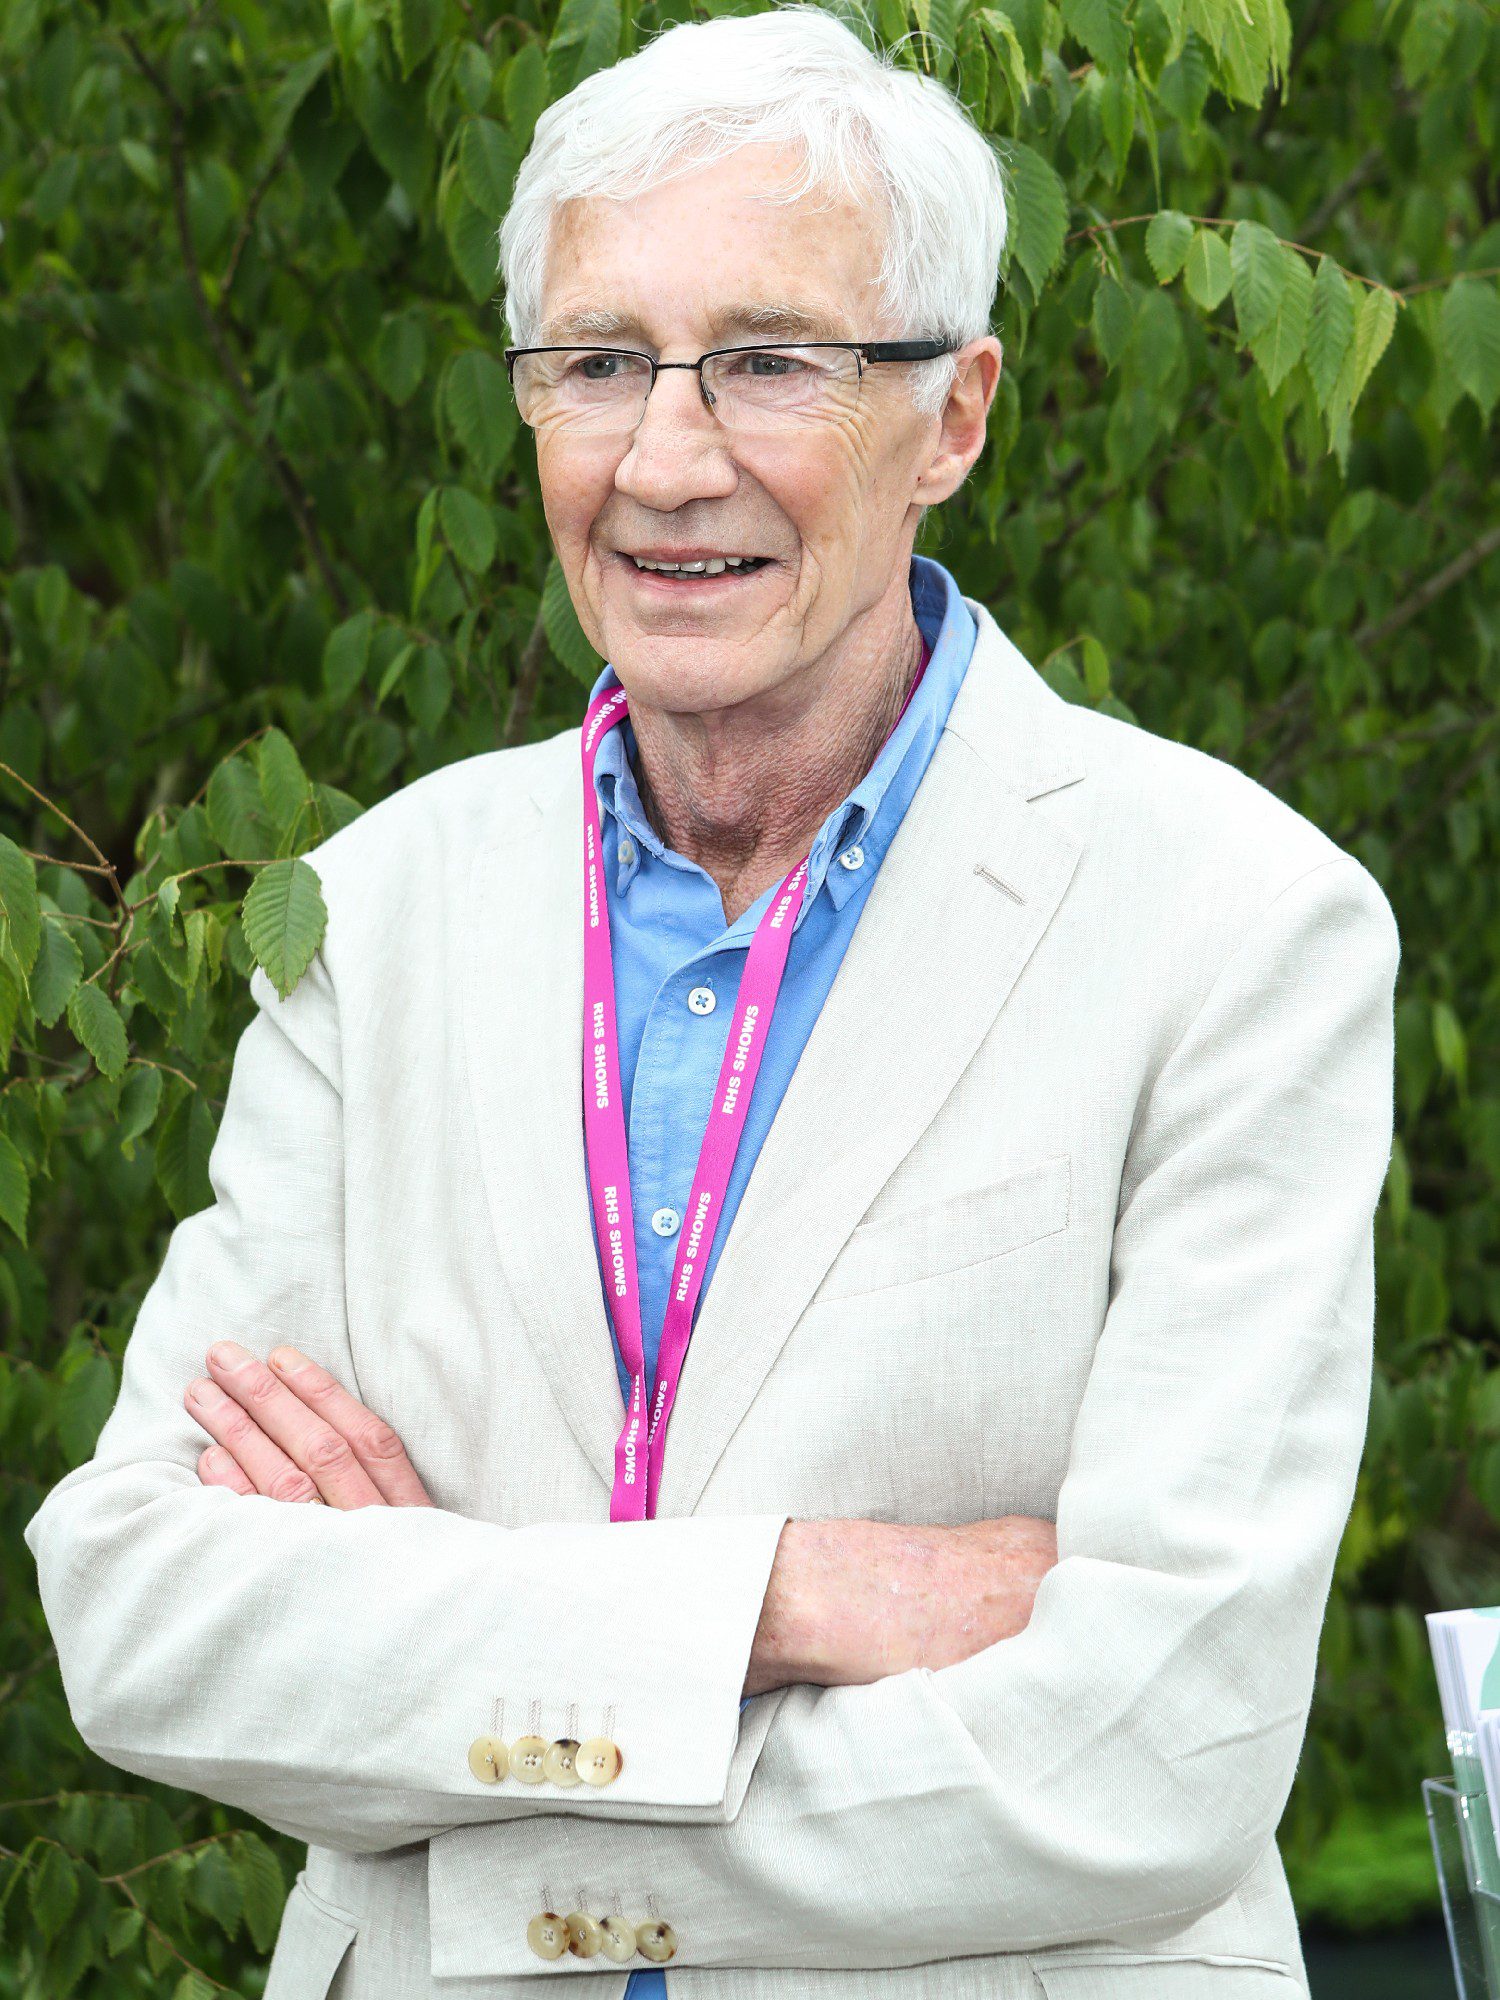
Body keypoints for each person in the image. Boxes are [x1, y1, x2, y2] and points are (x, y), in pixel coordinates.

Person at [23, 8, 1400, 1998]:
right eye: (598, 363)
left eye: (769, 360)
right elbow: (145, 1610)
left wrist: (482, 1811)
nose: (668, 459)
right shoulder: (369, 910)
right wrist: (787, 1594)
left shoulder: (1238, 926)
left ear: (954, 415)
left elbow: (1154, 1751)